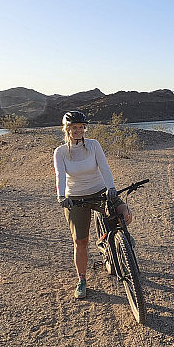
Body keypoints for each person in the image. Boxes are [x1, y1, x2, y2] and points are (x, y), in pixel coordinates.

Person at [53, 110, 133, 299]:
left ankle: (119, 243)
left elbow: (104, 167)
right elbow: (60, 175)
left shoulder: (93, 145)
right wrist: (61, 196)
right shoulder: (60, 152)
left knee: (124, 213)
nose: (78, 130)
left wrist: (111, 187)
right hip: (75, 198)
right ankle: (82, 280)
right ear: (67, 129)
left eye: (81, 127)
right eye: (74, 127)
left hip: (99, 191)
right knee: (80, 241)